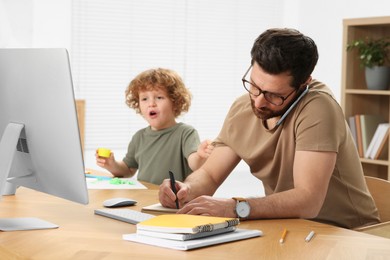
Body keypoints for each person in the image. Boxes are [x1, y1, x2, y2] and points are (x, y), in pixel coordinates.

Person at [158, 28, 380, 229]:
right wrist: (185, 190)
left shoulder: (319, 108)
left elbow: (308, 200)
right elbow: (209, 174)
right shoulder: (242, 108)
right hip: (290, 228)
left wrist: (236, 208)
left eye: (274, 95)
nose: (258, 102)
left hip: (349, 234)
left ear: (304, 84)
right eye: (254, 85)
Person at [96, 68, 214, 185]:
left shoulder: (186, 133)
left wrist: (200, 156)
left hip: (173, 201)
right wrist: (112, 165)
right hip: (144, 199)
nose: (151, 104)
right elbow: (128, 170)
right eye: (144, 99)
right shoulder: (139, 137)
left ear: (175, 102)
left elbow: (195, 164)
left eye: (159, 97)